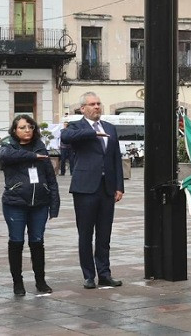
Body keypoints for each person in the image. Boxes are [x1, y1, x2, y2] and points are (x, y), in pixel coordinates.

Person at [61, 92, 125, 289]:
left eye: (99, 103)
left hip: (107, 189)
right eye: (92, 104)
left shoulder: (110, 128)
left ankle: (104, 273)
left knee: (104, 234)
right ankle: (89, 275)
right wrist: (92, 132)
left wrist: (119, 186)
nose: (97, 107)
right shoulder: (76, 127)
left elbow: (116, 158)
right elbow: (66, 137)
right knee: (86, 234)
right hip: (85, 188)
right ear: (83, 109)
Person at [0, 114, 60, 295]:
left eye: (30, 127)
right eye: (23, 127)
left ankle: (40, 281)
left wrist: (54, 204)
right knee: (16, 242)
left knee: (37, 242)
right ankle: (18, 283)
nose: (27, 130)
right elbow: (6, 156)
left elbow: (51, 178)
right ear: (15, 131)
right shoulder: (8, 146)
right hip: (15, 203)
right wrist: (32, 156)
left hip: (40, 203)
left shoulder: (41, 147)